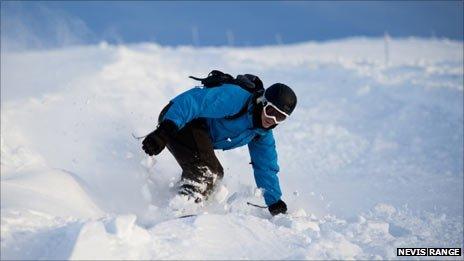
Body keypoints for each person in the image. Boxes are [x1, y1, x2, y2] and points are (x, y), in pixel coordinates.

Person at [141, 72, 297, 216]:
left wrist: (274, 201)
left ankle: (177, 200)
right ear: (262, 102)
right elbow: (193, 101)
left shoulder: (261, 133)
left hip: (197, 131)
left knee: (216, 174)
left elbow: (266, 167)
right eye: (271, 111)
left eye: (280, 117)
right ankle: (180, 210)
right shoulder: (237, 98)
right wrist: (164, 132)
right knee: (206, 170)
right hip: (179, 120)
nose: (272, 119)